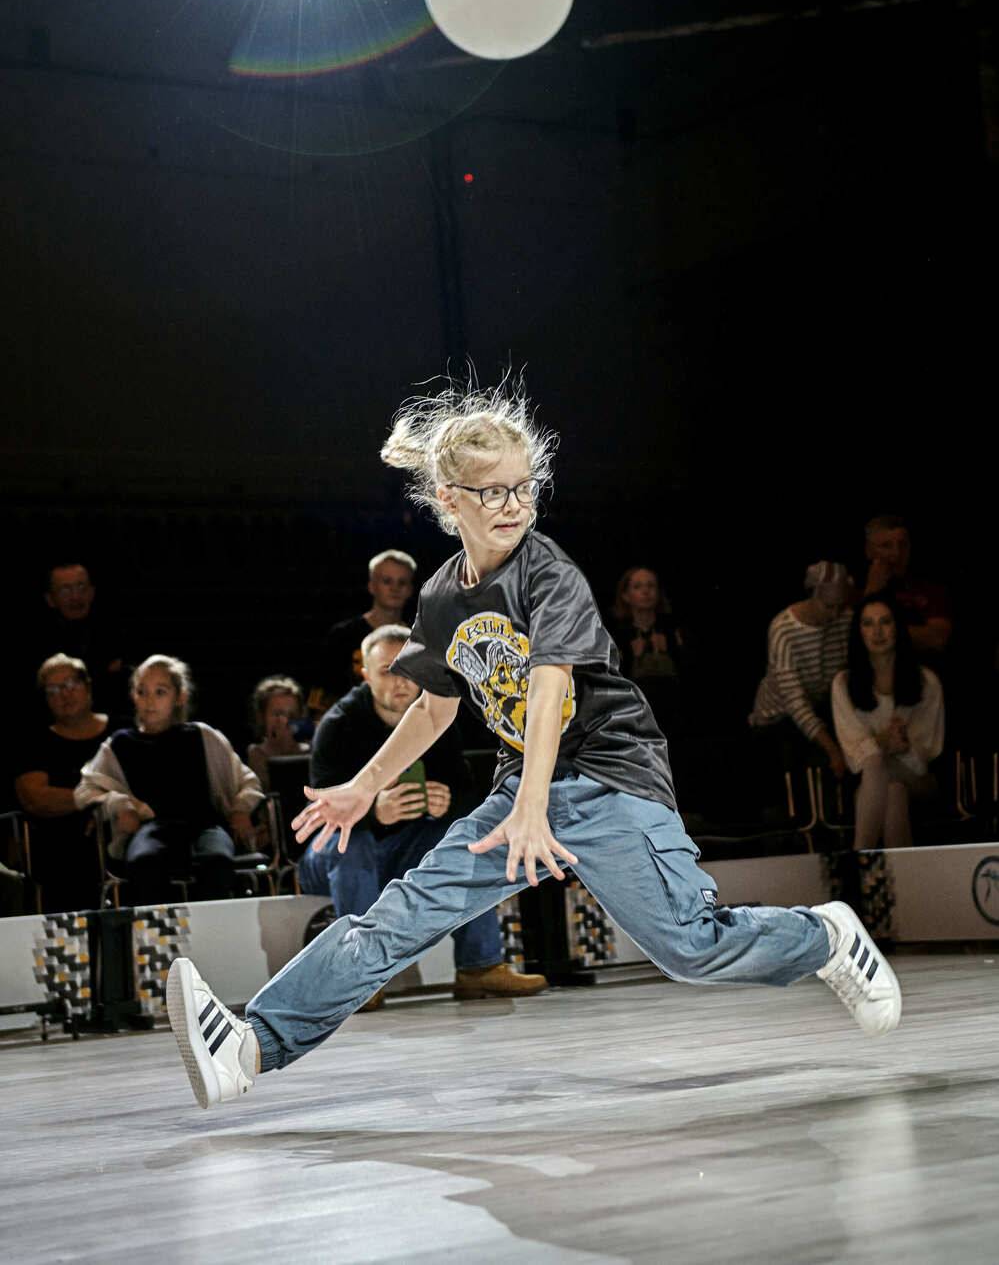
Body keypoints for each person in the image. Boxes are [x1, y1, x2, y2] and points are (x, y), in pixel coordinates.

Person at [166, 381, 900, 1112]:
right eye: (492, 492)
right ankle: (250, 1047)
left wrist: (530, 804)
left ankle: (824, 937)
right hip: (525, 786)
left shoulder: (547, 573)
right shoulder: (442, 598)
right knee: (401, 914)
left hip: (612, 776)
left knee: (691, 949)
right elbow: (433, 707)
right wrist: (364, 785)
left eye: (524, 488)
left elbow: (549, 691)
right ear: (449, 500)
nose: (514, 505)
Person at [299, 622, 546, 1008]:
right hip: (334, 851)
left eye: (408, 669)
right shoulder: (338, 725)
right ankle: (359, 976)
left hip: (403, 846)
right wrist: (374, 813)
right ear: (364, 674)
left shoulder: (439, 718)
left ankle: (479, 966)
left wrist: (447, 802)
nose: (401, 681)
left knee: (465, 842)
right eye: (387, 670)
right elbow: (323, 813)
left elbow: (466, 794)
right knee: (352, 845)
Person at [76, 655, 263, 904]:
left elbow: (248, 781)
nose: (149, 701)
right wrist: (120, 805)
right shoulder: (120, 744)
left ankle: (214, 925)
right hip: (152, 826)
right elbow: (86, 789)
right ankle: (160, 927)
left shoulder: (201, 735)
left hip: (204, 823)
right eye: (142, 692)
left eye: (160, 692)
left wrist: (240, 808)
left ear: (179, 697)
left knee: (215, 859)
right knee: (144, 861)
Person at [832, 593, 945, 849]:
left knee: (880, 769)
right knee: (892, 790)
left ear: (897, 627)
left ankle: (859, 857)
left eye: (885, 622)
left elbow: (925, 758)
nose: (877, 632)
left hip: (918, 779)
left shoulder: (926, 681)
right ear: (859, 631)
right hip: (872, 779)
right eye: (868, 624)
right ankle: (899, 871)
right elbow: (855, 757)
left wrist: (902, 747)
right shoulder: (844, 684)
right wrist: (883, 742)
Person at [13, 654, 111, 911]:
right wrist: (93, 797)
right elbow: (35, 798)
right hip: (59, 845)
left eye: (70, 684)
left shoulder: (121, 732)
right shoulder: (36, 742)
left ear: (87, 685)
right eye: (54, 690)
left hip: (120, 834)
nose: (65, 695)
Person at [749, 561, 853, 792]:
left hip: (819, 709)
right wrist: (832, 749)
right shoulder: (784, 629)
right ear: (812, 594)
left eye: (840, 606)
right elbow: (794, 701)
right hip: (777, 718)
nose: (835, 614)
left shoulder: (844, 619)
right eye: (829, 606)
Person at [309, 550, 417, 717]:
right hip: (351, 724)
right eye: (387, 581)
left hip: (405, 723)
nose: (395, 588)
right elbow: (323, 695)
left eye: (402, 582)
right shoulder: (343, 636)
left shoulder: (419, 637)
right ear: (371, 585)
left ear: (410, 589)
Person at [28, 562, 128, 713]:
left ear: (92, 592)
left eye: (81, 587)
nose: (76, 597)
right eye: (65, 590)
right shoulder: (38, 642)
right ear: (50, 599)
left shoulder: (116, 632)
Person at [863, 515, 952, 658]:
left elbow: (937, 638)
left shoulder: (928, 587)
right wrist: (871, 592)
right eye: (886, 546)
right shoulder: (851, 589)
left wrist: (880, 633)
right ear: (869, 550)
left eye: (903, 545)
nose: (897, 553)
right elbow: (853, 637)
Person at [609, 566, 685, 732]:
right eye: (637, 587)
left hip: (673, 712)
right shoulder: (619, 635)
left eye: (650, 586)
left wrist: (671, 649)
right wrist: (631, 656)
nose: (645, 591)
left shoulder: (671, 631)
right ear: (625, 595)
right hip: (634, 714)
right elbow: (612, 680)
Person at [247, 676, 311, 795]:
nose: (285, 721)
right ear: (262, 717)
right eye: (277, 714)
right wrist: (282, 748)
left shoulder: (309, 751)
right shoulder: (256, 753)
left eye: (292, 715)